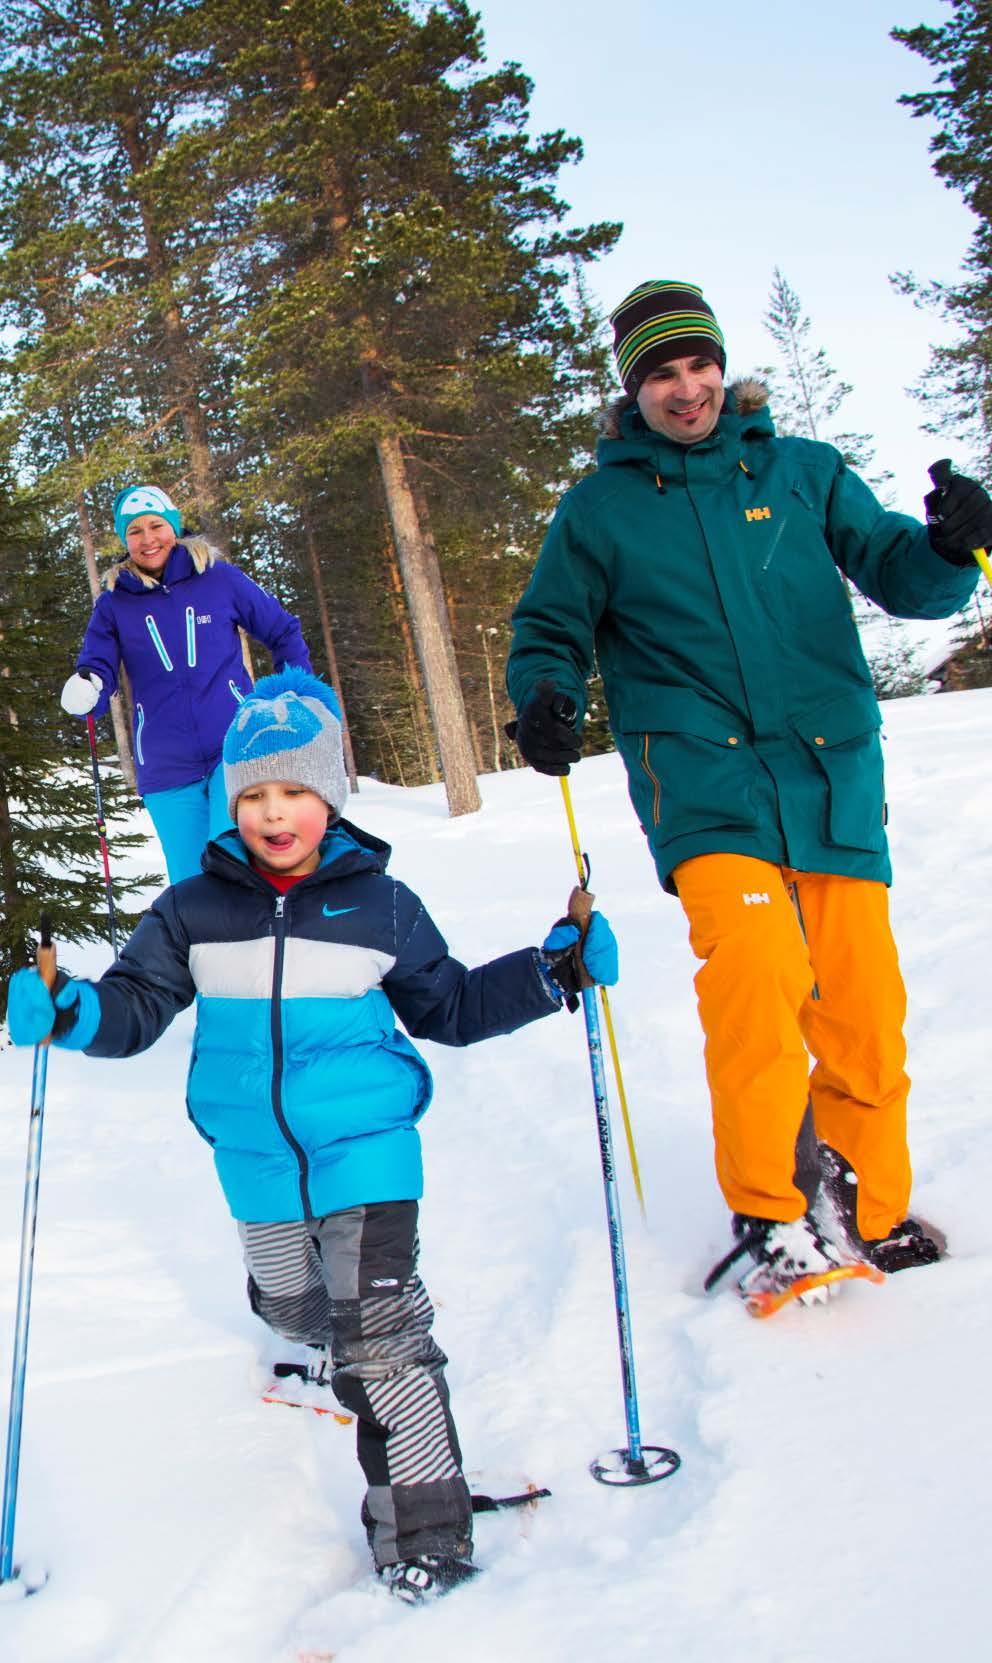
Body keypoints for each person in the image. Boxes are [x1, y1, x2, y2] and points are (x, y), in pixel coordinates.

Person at [8, 666, 618, 1600]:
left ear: (329, 795)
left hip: (366, 1146)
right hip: (254, 1158)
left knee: (381, 1330)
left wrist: (551, 972)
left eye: (294, 789)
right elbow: (134, 1008)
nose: (275, 812)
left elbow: (448, 1005)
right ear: (230, 801)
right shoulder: (191, 911)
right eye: (254, 793)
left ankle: (426, 1530)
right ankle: (313, 1330)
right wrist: (69, 1013)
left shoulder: (381, 904)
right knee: (295, 1308)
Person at [506, 278, 992, 1297]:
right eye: (660, 376)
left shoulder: (806, 474)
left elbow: (905, 578)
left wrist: (951, 548)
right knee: (759, 983)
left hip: (828, 775)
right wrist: (546, 694)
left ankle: (865, 1199)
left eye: (698, 366)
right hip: (701, 780)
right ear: (630, 391)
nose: (685, 390)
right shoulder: (598, 510)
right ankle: (771, 1210)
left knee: (860, 1004)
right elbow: (548, 627)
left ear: (721, 369)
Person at [60, 484, 313, 884]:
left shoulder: (217, 579)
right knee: (191, 883)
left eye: (156, 526)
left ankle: (261, 944)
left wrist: (292, 697)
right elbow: (98, 666)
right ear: (125, 539)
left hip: (234, 746)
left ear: (173, 527)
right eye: (135, 531)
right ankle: (200, 949)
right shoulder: (113, 602)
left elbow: (283, 631)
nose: (147, 539)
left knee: (232, 859)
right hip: (164, 764)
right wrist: (87, 687)